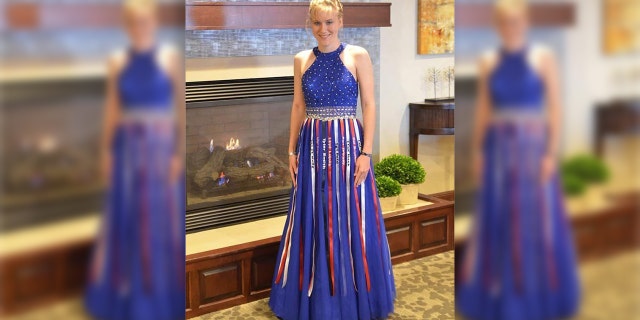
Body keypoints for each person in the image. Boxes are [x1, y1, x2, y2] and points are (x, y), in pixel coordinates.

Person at [268, 0, 396, 319]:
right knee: (313, 215)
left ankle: (349, 298)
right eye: (316, 23)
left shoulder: (358, 55)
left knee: (349, 216)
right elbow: (298, 107)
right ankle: (315, 299)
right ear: (309, 23)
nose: (323, 30)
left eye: (329, 22)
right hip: (311, 146)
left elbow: (369, 104)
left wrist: (366, 152)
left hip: (347, 145)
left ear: (340, 20)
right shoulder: (301, 59)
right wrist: (290, 151)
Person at [456, 1, 580, 319]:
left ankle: (536, 297)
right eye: (505, 21)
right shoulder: (488, 61)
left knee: (534, 220)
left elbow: (555, 107)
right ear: (498, 25)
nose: (511, 26)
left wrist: (551, 153)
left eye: (516, 20)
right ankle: (501, 298)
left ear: (525, 21)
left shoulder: (543, 57)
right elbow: (483, 108)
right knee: (499, 217)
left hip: (532, 147)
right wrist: (478, 152)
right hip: (498, 149)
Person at [84, 1, 185, 319]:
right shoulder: (117, 61)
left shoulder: (170, 58)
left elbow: (181, 109)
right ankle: (127, 301)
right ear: (127, 25)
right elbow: (112, 110)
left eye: (145, 20)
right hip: (126, 150)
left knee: (159, 223)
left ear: (153, 21)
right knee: (126, 218)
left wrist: (179, 154)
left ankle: (157, 300)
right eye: (133, 21)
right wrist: (105, 153)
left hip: (160, 149)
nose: (140, 26)